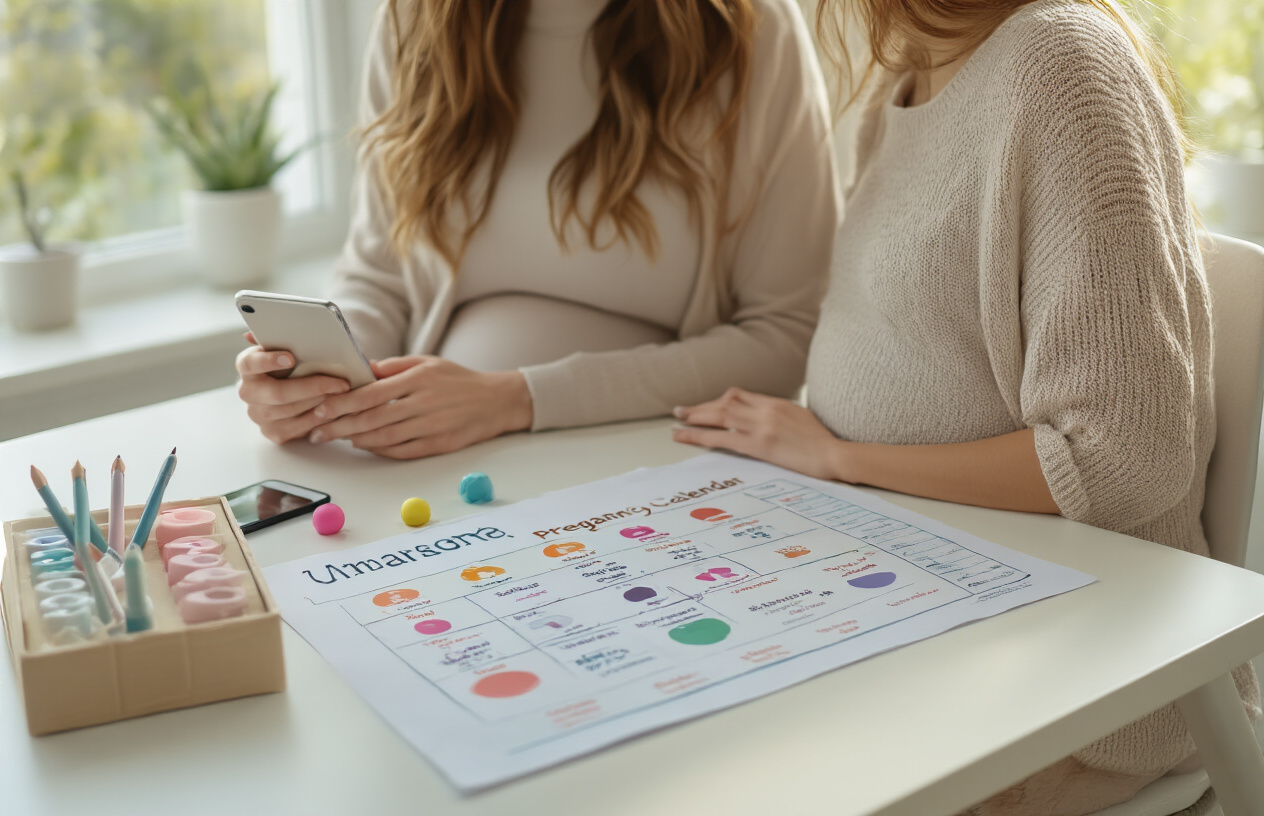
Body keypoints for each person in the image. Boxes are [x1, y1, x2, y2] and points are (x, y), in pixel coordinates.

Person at [671, 0, 1260, 812]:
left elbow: (1124, 455)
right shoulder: (908, 74)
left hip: (1080, 677)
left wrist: (840, 459)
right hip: (905, 587)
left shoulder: (1063, 67)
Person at [235, 0, 838, 459]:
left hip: (657, 455)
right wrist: (321, 379)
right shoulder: (415, 20)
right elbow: (379, 276)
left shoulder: (751, 30)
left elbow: (785, 337)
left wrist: (516, 398)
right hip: (445, 455)